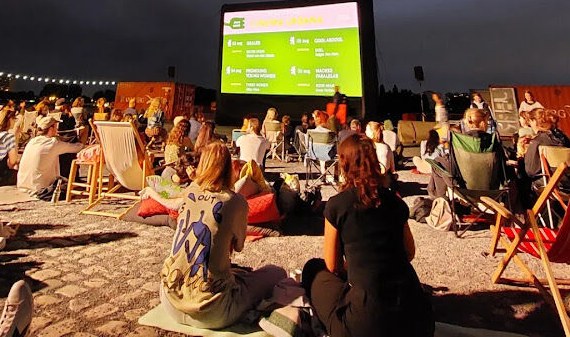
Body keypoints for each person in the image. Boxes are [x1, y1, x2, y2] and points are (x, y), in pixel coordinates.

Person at [301, 134, 434, 337]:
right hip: (417, 320)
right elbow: (409, 252)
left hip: (365, 324)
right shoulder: (395, 202)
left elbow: (332, 265)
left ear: (344, 164)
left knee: (313, 269)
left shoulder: (337, 205)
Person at [160, 141, 286, 328]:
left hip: (169, 299)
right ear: (229, 168)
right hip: (213, 310)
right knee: (276, 272)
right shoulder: (235, 201)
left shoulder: (189, 192)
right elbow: (238, 246)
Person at [17, 115, 83, 196]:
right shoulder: (52, 143)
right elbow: (77, 148)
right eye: (56, 127)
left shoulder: (32, 141)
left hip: (23, 185)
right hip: (40, 188)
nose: (57, 129)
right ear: (51, 129)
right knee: (70, 186)